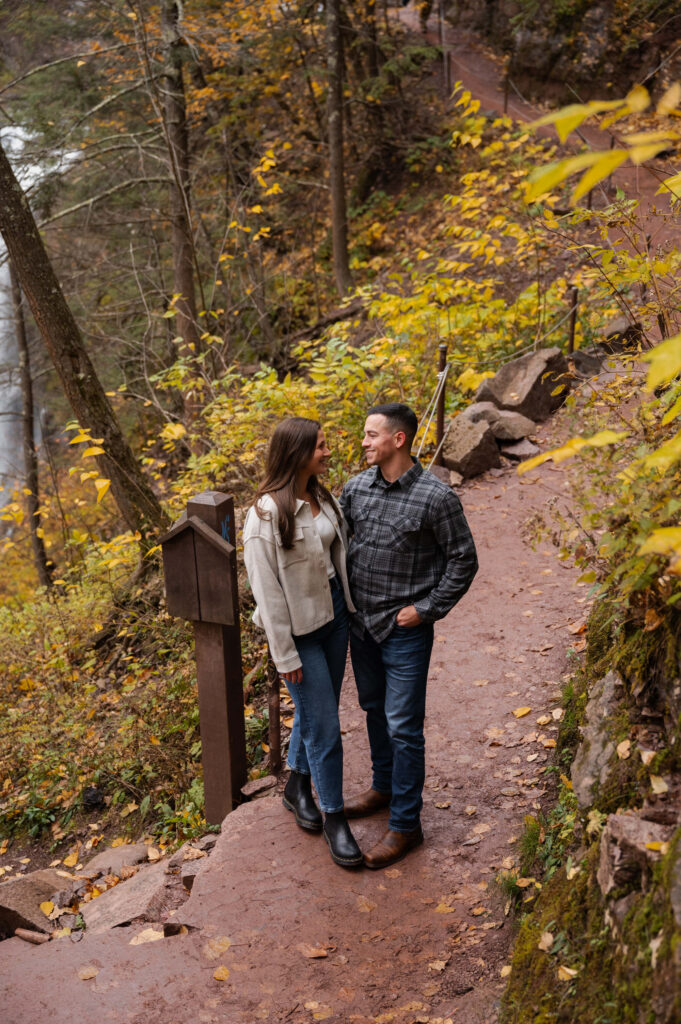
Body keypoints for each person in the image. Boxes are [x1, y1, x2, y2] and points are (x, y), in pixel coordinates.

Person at [340, 403, 478, 869]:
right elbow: (340, 546)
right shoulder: (355, 489)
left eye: (371, 434)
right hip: (362, 628)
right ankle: (382, 787)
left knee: (404, 727)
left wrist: (426, 610)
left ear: (398, 440)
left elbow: (463, 559)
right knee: (373, 711)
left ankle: (405, 825)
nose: (364, 442)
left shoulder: (436, 498)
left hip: (404, 633)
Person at [243, 417, 363, 869]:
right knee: (326, 728)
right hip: (298, 633)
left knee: (316, 715)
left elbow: (338, 555)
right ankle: (335, 818)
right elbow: (267, 594)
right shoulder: (264, 516)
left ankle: (296, 785)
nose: (328, 453)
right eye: (321, 447)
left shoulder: (320, 495)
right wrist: (284, 655)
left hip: (334, 619)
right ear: (296, 453)